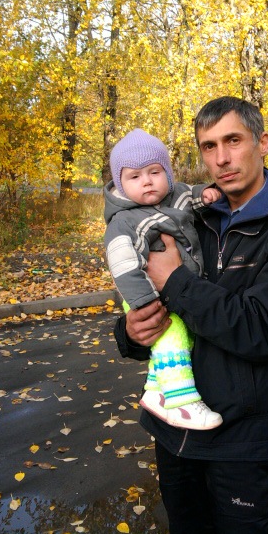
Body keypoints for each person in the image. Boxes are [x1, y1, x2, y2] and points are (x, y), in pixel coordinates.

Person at [114, 97, 268, 534]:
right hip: (175, 430)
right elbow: (148, 300)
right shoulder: (185, 215)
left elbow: (262, 330)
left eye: (233, 140)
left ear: (262, 142)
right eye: (208, 146)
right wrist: (131, 332)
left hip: (243, 442)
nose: (222, 159)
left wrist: (176, 280)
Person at [104, 128, 223, 430]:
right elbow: (123, 264)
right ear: (120, 183)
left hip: (178, 291)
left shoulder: (175, 195)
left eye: (154, 172)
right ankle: (182, 401)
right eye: (134, 176)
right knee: (172, 337)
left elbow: (190, 196)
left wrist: (205, 195)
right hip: (147, 297)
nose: (147, 181)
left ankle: (157, 391)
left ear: (167, 174)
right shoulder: (124, 221)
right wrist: (144, 302)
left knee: (185, 336)